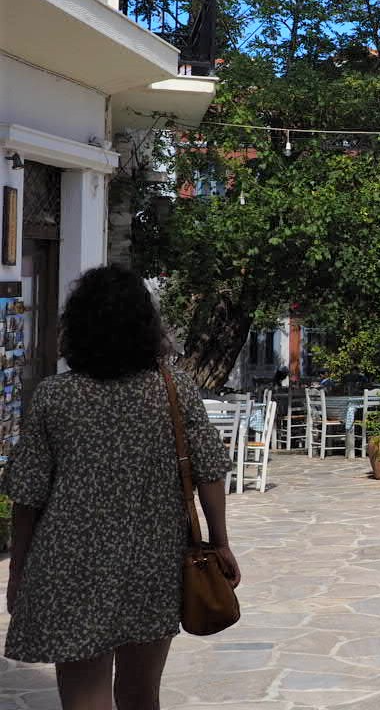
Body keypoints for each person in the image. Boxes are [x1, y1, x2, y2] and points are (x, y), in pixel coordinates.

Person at [1, 266, 241, 710]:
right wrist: (220, 542)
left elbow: (27, 494)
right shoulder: (173, 390)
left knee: (84, 697)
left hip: (68, 565)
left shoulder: (55, 396)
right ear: (144, 326)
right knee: (139, 693)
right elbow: (209, 471)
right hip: (152, 560)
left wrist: (19, 569)